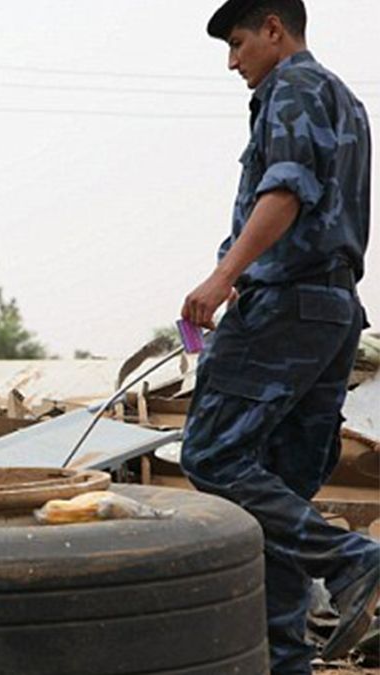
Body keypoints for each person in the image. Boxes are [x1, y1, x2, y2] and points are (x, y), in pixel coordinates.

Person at [180, 1, 376, 671]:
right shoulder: (345, 99)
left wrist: (223, 275)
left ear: (272, 28)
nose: (233, 62)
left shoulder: (290, 85)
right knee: (279, 495)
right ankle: (284, 660)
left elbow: (285, 190)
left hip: (286, 305)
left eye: (237, 43)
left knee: (211, 454)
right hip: (332, 309)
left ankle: (356, 561)